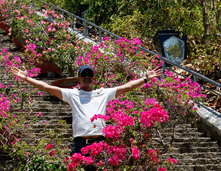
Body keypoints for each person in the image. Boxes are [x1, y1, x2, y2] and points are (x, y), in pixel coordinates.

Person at [11, 64, 162, 157]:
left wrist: (145, 79)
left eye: (90, 74)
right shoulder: (72, 94)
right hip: (80, 143)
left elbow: (127, 87)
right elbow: (47, 87)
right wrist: (26, 79)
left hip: (100, 142)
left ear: (94, 77)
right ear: (79, 78)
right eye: (84, 75)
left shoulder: (103, 93)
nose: (87, 77)